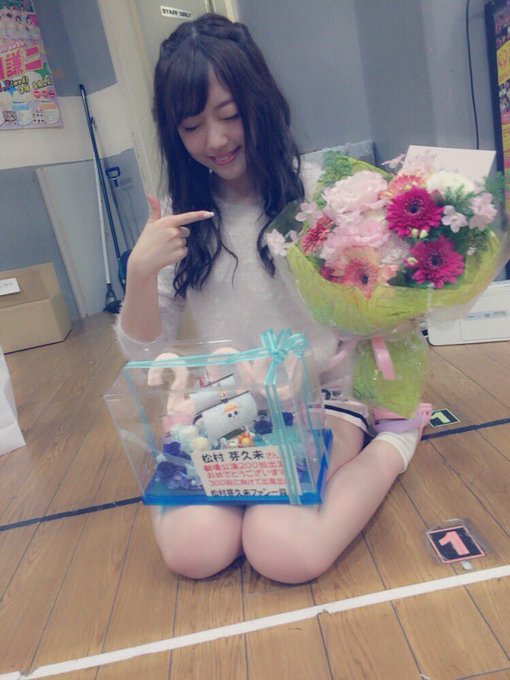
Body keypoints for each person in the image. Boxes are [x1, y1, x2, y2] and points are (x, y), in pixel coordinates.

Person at [117, 13, 429, 584]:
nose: (215, 140)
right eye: (191, 125)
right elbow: (146, 349)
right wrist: (139, 274)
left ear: (258, 100)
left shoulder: (322, 191)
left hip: (321, 401)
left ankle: (395, 445)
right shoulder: (179, 217)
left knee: (282, 548)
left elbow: (387, 293)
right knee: (193, 551)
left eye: (229, 114)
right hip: (223, 410)